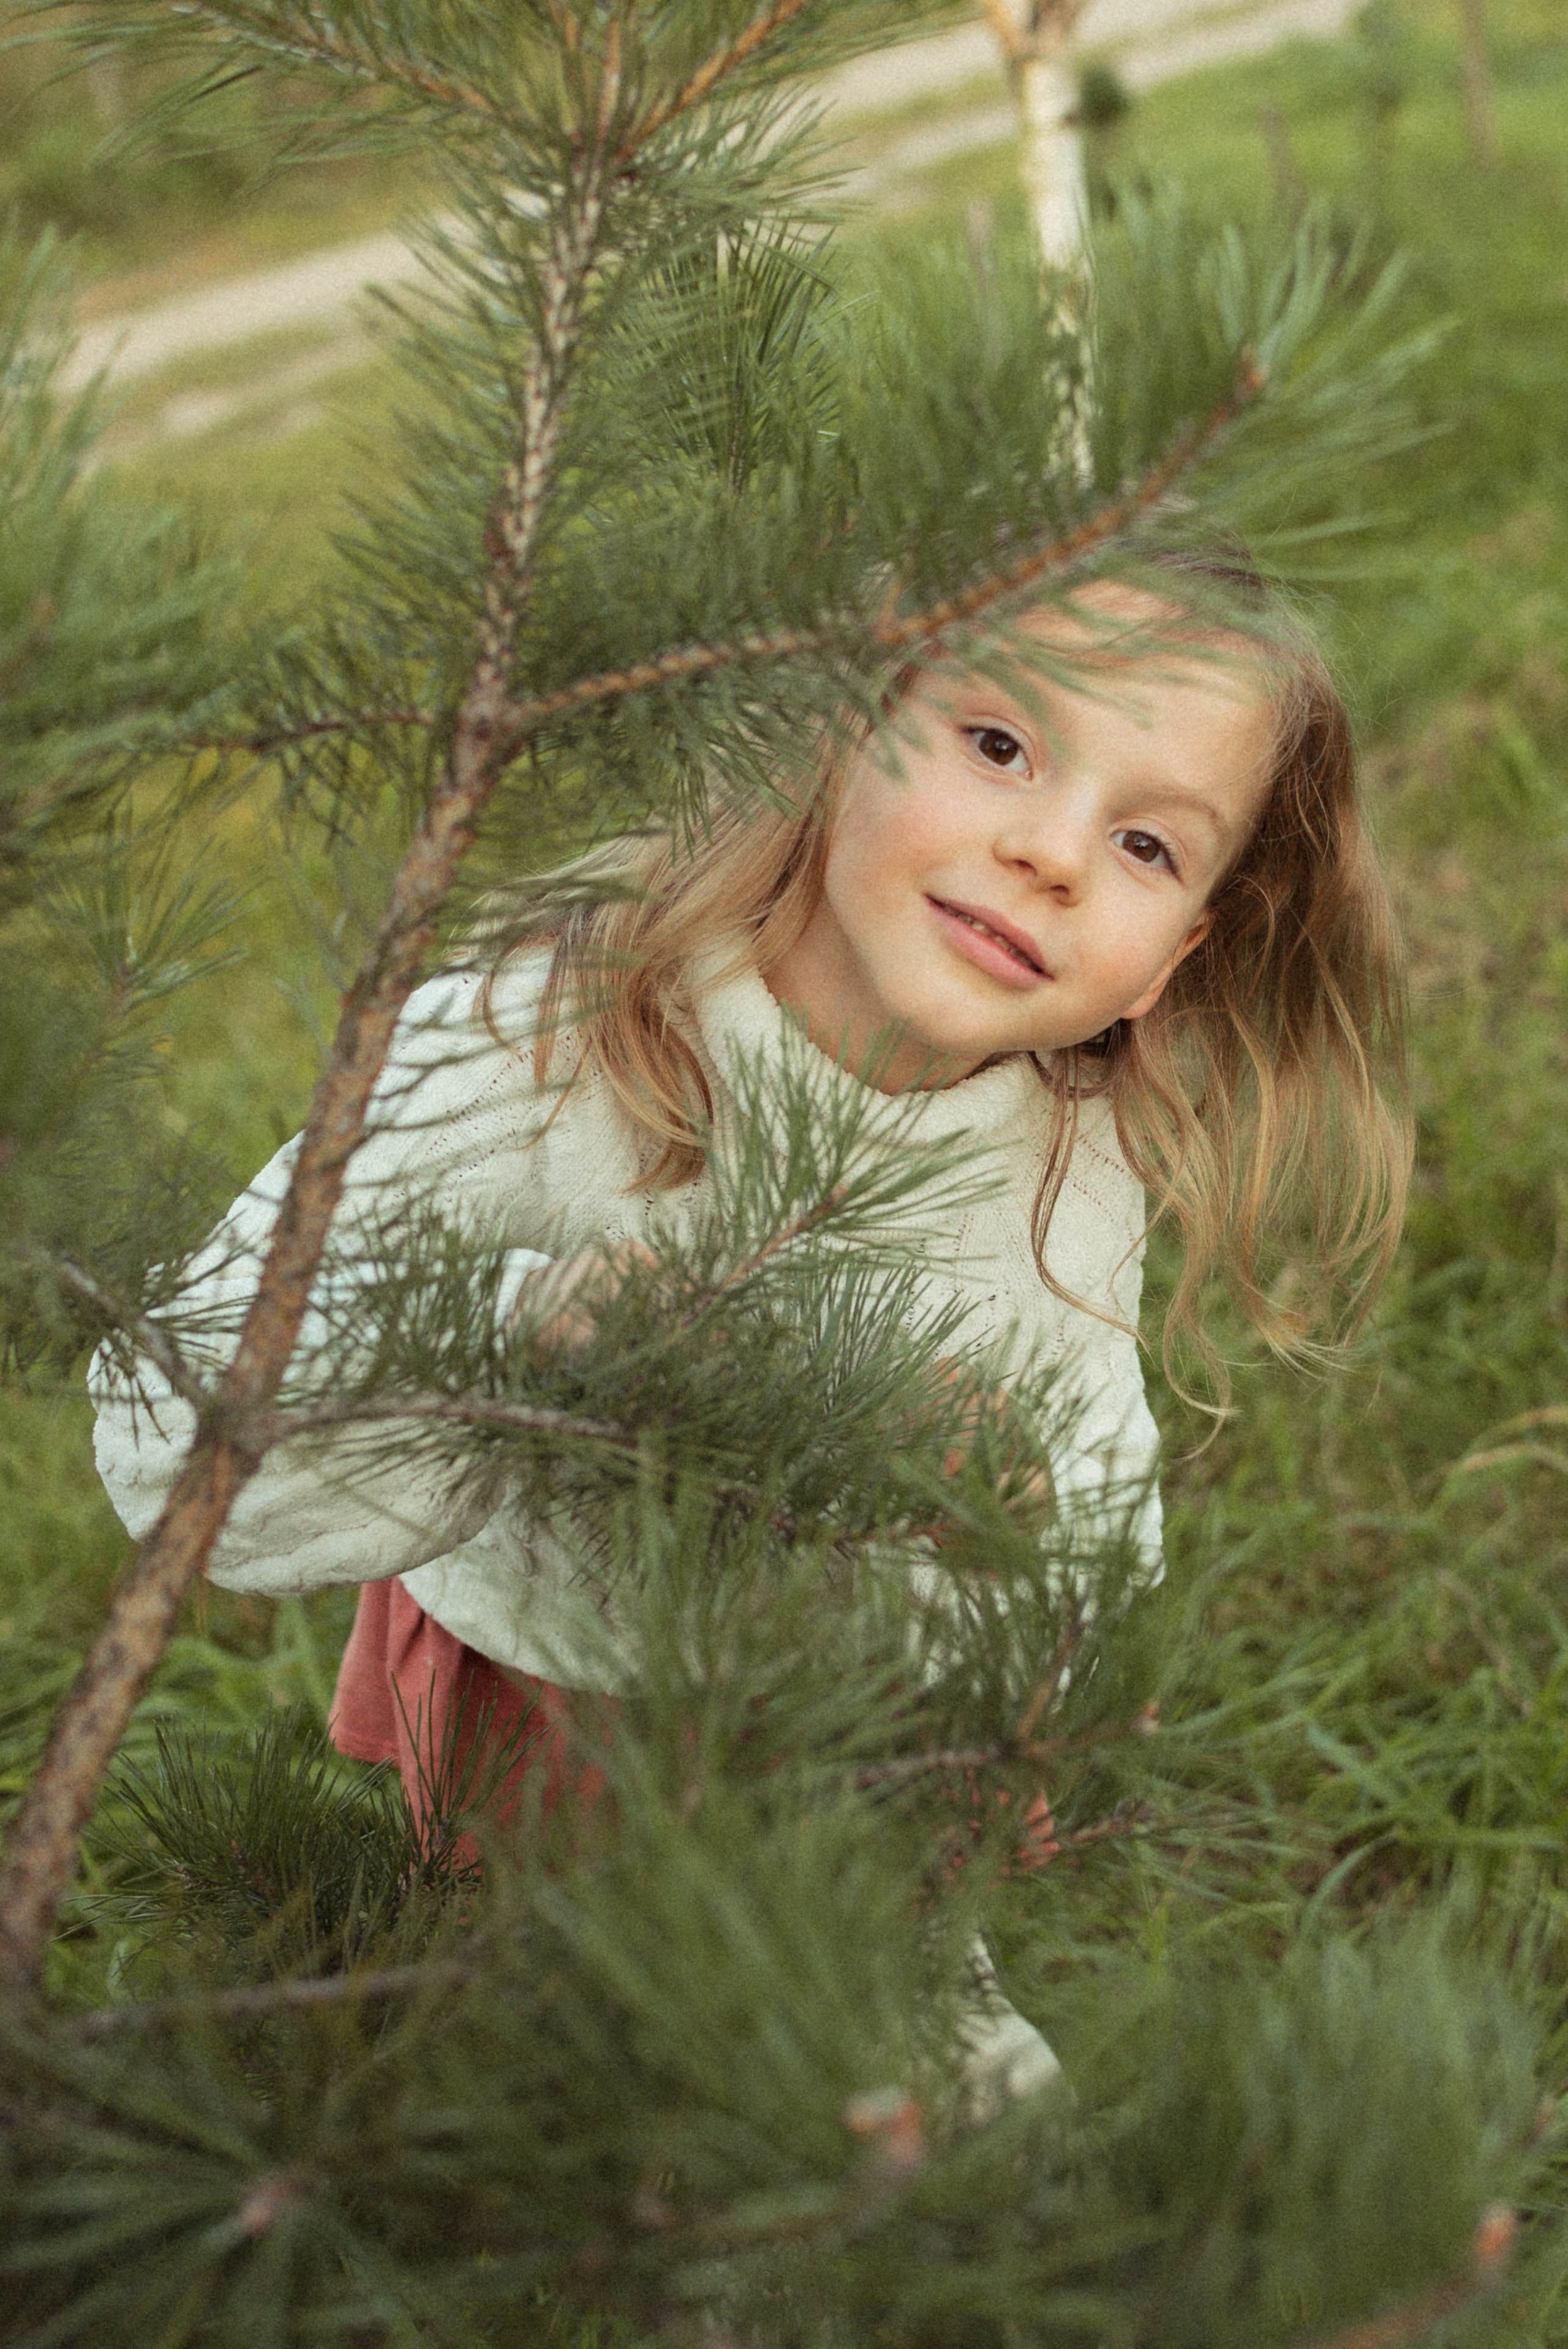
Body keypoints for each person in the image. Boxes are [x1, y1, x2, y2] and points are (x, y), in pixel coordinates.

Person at [91, 566, 1409, 2108]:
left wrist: (1045, 1581)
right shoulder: (549, 1026)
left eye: (1141, 842)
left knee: (862, 2066)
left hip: (857, 1734)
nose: (1049, 851)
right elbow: (185, 1433)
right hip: (566, 1692)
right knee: (573, 2062)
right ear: (837, 721)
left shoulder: (1072, 1144)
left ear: (1179, 950)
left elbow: (1086, 1422)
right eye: (999, 744)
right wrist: (523, 1344)